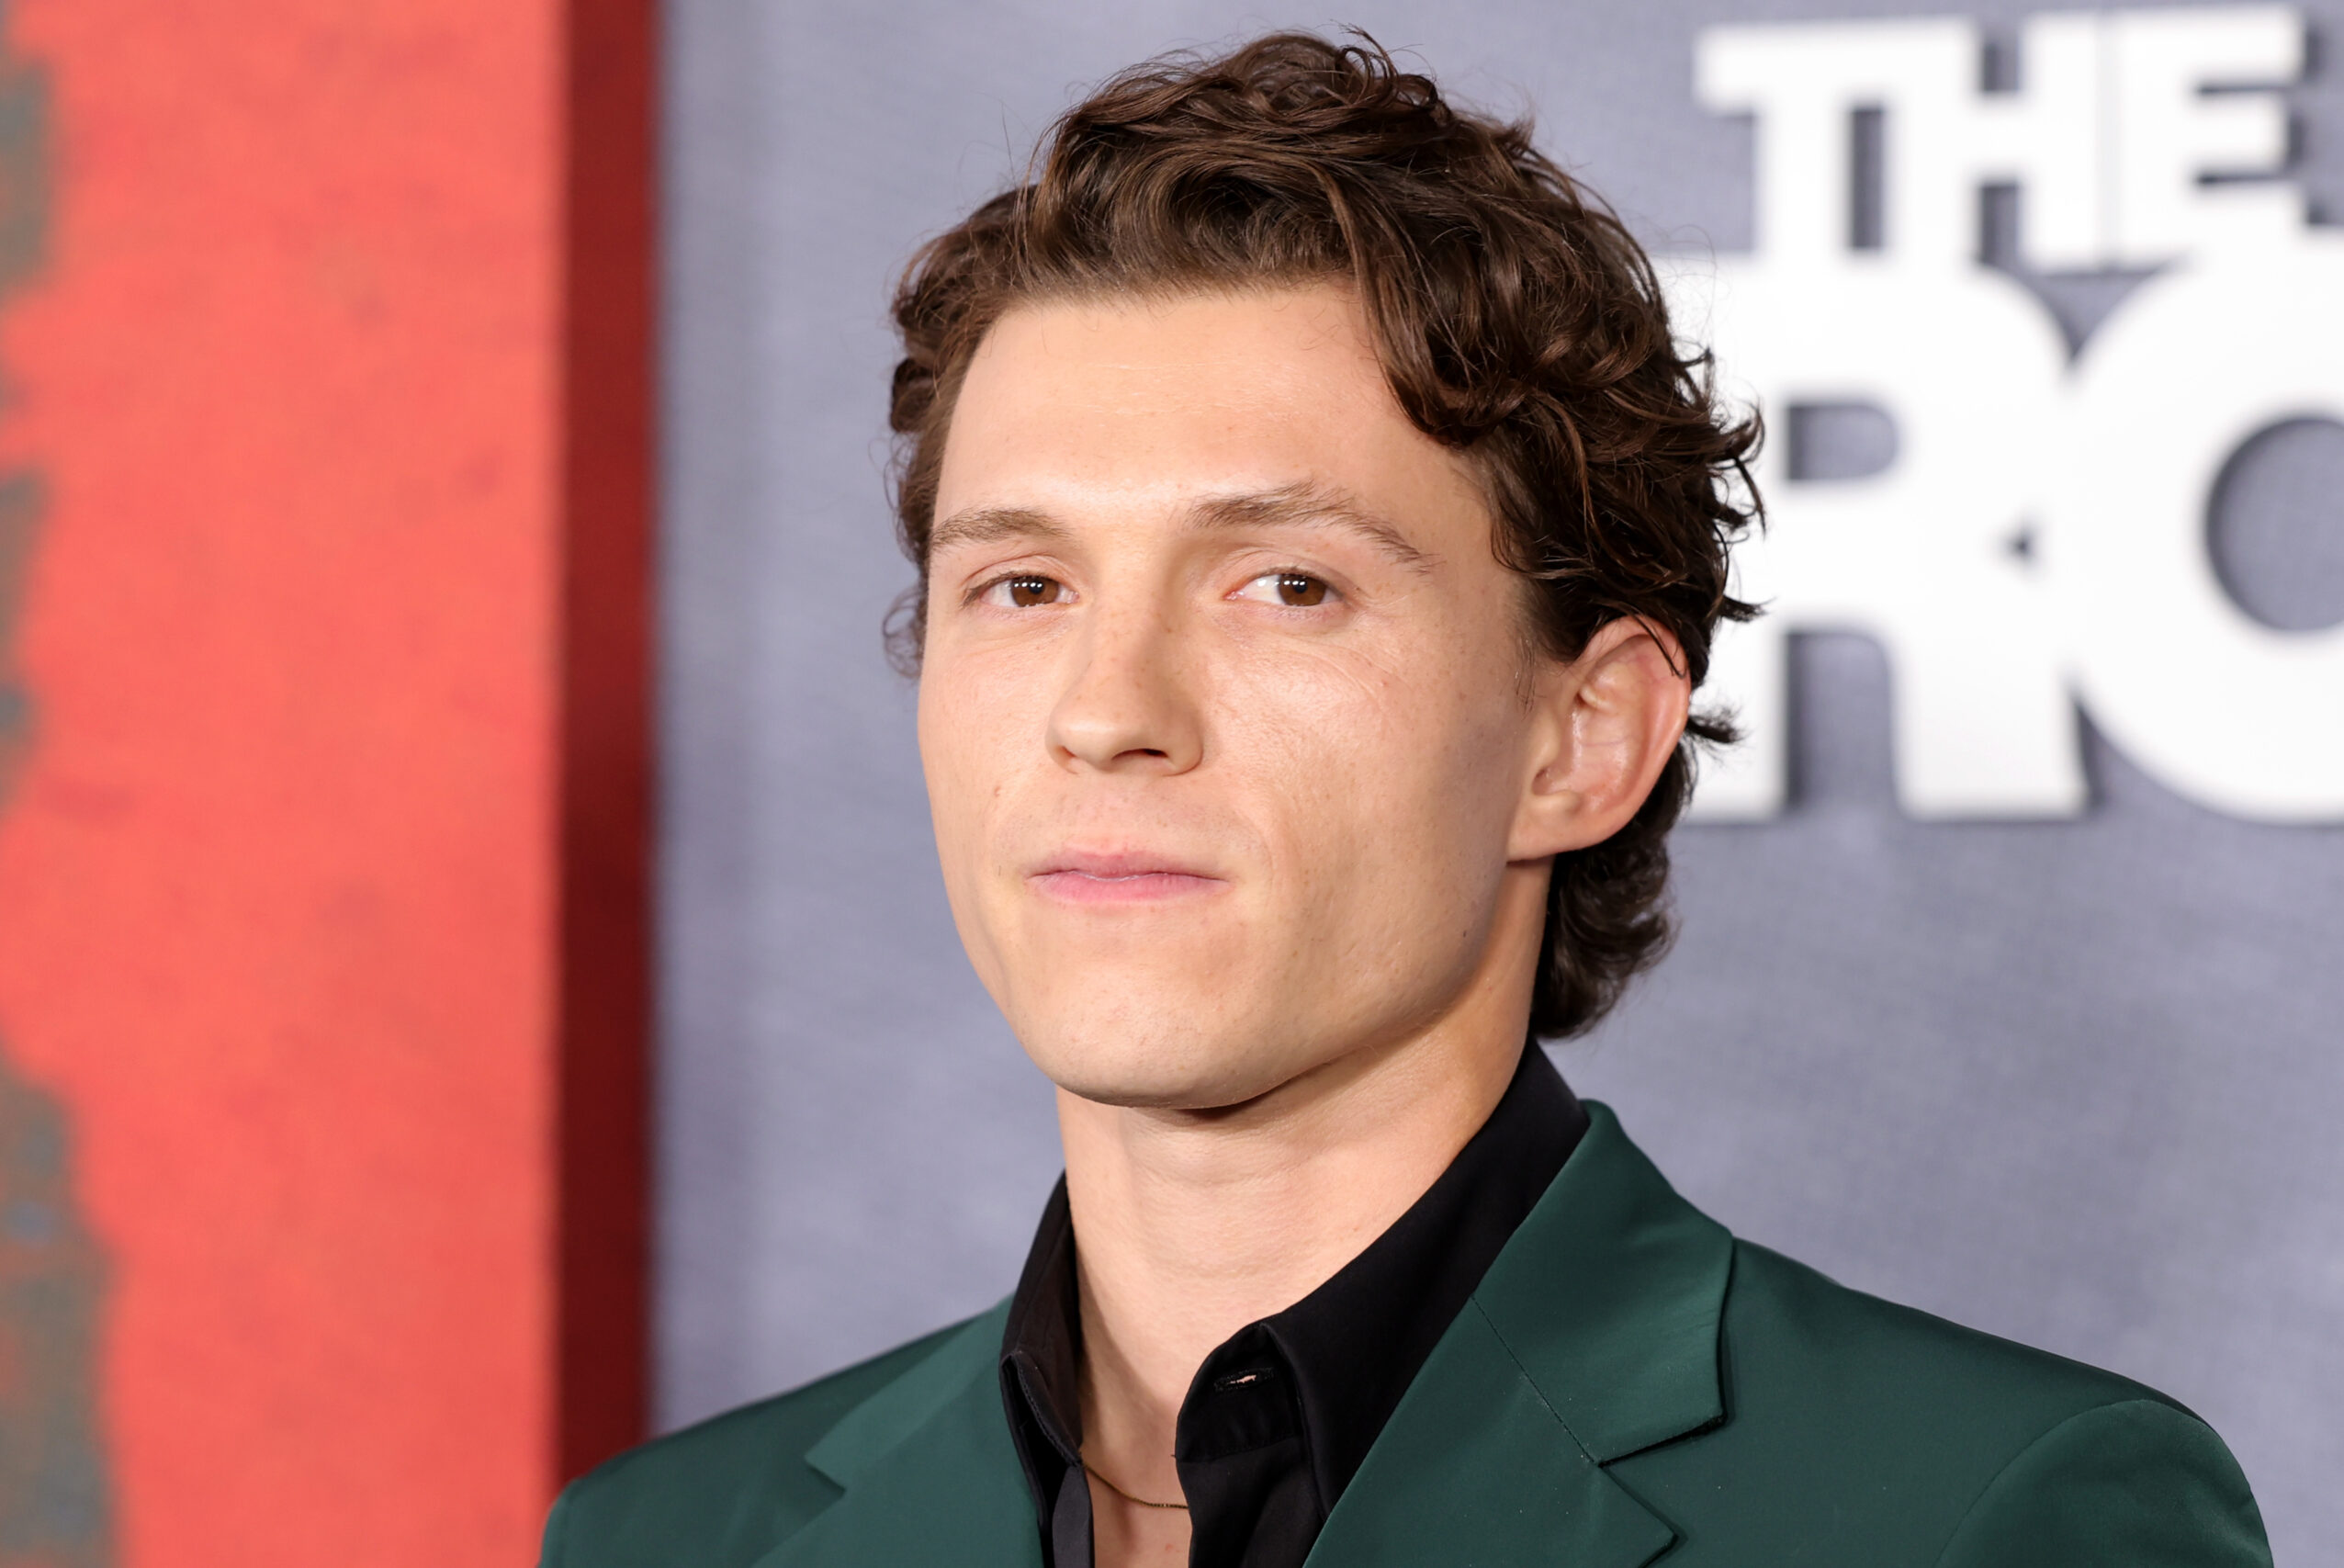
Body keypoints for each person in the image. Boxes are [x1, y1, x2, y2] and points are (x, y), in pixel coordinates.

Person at [541, 32, 2270, 1568]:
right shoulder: (676, 1539)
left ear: (1582, 737)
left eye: (1285, 585)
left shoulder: (1984, 1513)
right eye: (1025, 587)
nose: (1108, 715)